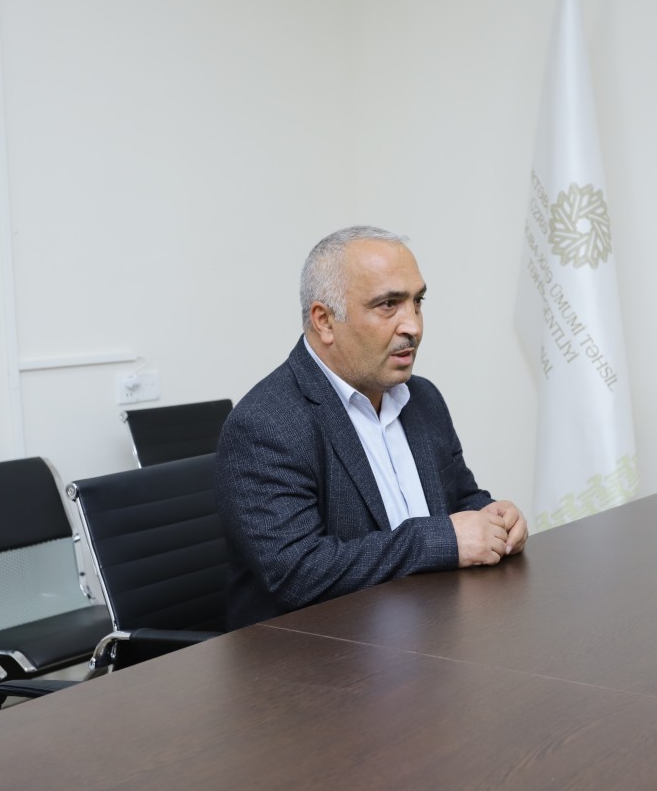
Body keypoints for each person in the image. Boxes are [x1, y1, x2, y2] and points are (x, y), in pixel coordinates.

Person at [216, 225, 527, 629]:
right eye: (388, 305)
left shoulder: (423, 398)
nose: (413, 326)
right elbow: (298, 572)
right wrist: (442, 541)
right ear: (325, 321)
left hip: (432, 628)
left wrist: (493, 516)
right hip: (318, 652)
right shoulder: (266, 424)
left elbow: (461, 498)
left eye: (417, 302)